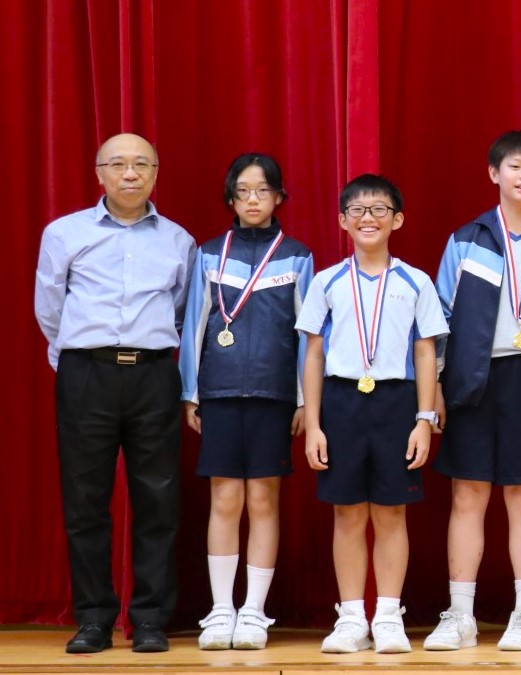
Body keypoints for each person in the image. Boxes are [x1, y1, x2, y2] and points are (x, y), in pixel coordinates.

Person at [35, 133, 195, 654]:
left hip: (153, 375)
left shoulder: (179, 240)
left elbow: (181, 310)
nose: (130, 174)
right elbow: (50, 306)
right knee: (85, 501)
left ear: (155, 173)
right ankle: (93, 618)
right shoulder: (64, 233)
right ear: (99, 172)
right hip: (87, 374)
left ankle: (149, 618)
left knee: (158, 500)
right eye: (119, 164)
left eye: (141, 164)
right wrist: (75, 358)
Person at [424, 131, 521, 652]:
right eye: (515, 166)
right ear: (494, 173)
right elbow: (440, 317)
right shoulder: (466, 240)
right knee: (467, 494)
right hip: (472, 380)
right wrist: (436, 386)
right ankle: (460, 614)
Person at [297, 174, 448, 654]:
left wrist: (424, 418)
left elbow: (425, 353)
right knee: (346, 513)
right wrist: (314, 424)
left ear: (397, 220)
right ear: (342, 220)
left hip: (396, 402)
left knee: (390, 512)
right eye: (357, 210)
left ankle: (387, 614)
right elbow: (313, 355)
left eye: (379, 209)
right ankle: (350, 617)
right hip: (340, 402)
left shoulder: (415, 281)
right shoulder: (326, 281)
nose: (368, 218)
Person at [180, 153, 315, 650]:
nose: (253, 200)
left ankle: (254, 611)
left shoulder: (297, 256)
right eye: (243, 191)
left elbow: (307, 335)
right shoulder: (209, 254)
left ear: (279, 197)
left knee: (262, 500)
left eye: (262, 191)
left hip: (274, 396)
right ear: (230, 198)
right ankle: (221, 610)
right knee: (225, 499)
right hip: (217, 394)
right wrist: (191, 393)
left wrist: (303, 399)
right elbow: (194, 325)